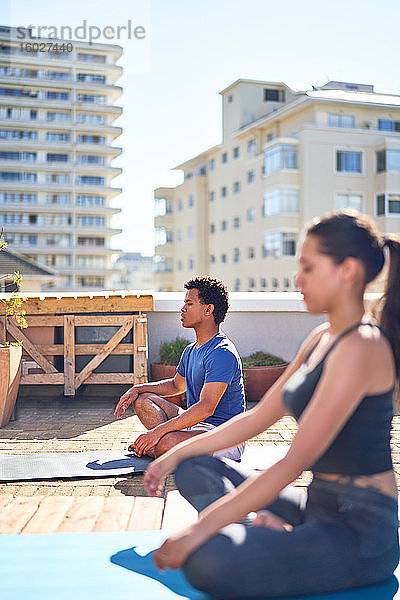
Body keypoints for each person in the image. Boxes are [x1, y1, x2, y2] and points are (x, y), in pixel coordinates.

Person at [142, 210, 400, 599]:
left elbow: (293, 462)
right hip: (319, 504)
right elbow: (259, 417)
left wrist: (199, 529)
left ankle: (266, 534)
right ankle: (272, 531)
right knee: (196, 466)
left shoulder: (361, 347)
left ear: (346, 270)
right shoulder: (320, 337)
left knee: (206, 560)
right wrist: (171, 455)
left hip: (361, 531)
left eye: (308, 268)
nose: (298, 280)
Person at [114, 276, 245, 460]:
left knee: (168, 442)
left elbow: (206, 408)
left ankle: (159, 446)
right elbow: (176, 386)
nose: (182, 308)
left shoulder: (222, 353)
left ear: (208, 309)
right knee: (143, 400)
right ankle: (161, 446)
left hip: (223, 437)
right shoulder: (191, 350)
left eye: (189, 303)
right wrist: (138, 388)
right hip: (194, 425)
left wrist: (158, 432)